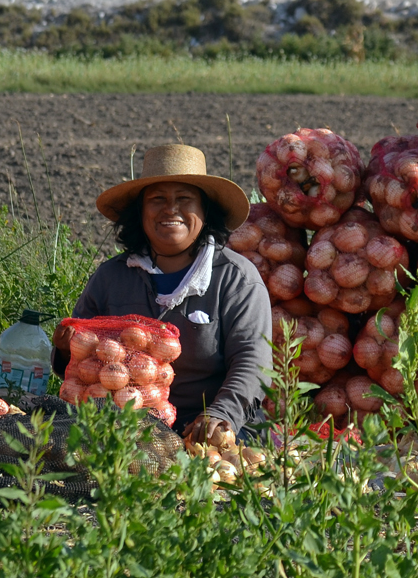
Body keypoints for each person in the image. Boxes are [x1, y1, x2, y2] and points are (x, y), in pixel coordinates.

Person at [67, 144, 271, 443]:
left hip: (210, 427)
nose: (170, 209)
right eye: (157, 199)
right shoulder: (112, 276)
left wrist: (222, 413)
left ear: (205, 213)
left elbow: (253, 360)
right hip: (122, 425)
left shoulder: (235, 277)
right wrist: (64, 350)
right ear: (140, 213)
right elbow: (81, 364)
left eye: (184, 199)